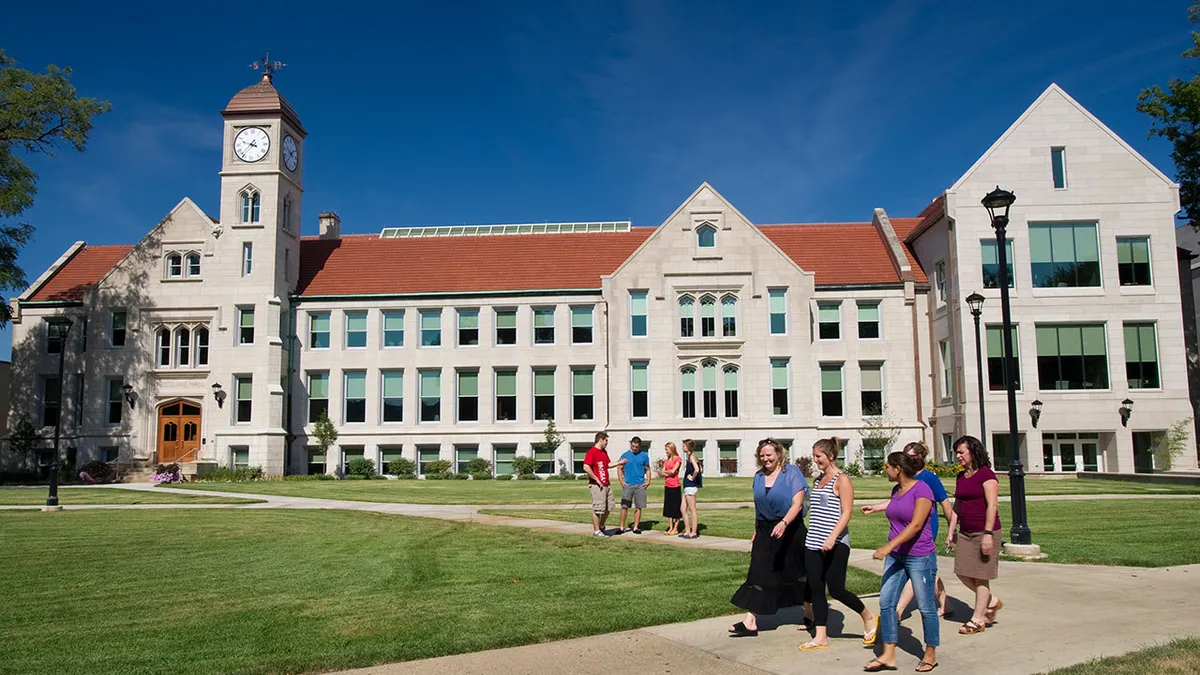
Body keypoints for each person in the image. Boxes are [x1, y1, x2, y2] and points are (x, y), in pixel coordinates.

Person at [863, 452, 939, 673]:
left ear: (898, 468)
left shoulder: (923, 490)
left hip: (919, 556)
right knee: (886, 603)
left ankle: (930, 653)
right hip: (897, 557)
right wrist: (876, 507)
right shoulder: (897, 489)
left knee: (926, 607)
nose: (884, 469)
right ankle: (888, 654)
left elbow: (915, 525)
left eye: (887, 466)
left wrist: (887, 547)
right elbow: (896, 504)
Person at [798, 437, 877, 651]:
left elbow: (847, 512)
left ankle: (868, 617)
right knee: (816, 588)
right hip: (813, 542)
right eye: (814, 456)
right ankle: (821, 635)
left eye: (818, 456)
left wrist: (833, 537)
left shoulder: (842, 480)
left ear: (831, 456)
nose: (815, 460)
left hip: (837, 542)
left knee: (837, 589)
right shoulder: (818, 481)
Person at [729, 439, 809, 637]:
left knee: (796, 571)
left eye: (769, 455)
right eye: (762, 455)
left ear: (779, 454)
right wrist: (756, 528)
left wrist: (783, 523)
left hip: (790, 529)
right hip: (765, 530)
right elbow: (759, 506)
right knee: (758, 570)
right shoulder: (758, 476)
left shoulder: (791, 473)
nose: (765, 459)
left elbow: (797, 504)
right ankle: (751, 621)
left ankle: (810, 613)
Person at [866, 442, 952, 621]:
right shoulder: (900, 484)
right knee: (927, 571)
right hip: (905, 527)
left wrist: (952, 528)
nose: (910, 459)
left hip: (924, 527)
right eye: (907, 456)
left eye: (913, 456)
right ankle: (945, 603)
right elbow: (897, 502)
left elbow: (944, 502)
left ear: (921, 457)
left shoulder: (928, 479)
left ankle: (899, 609)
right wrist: (876, 507)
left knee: (916, 568)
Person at [946, 434, 1003, 635]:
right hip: (966, 533)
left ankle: (977, 620)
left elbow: (992, 506)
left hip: (985, 531)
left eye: (961, 452)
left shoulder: (987, 475)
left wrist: (988, 534)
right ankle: (990, 601)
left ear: (973, 451)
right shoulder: (961, 476)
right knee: (962, 571)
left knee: (981, 576)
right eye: (956, 453)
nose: (958, 456)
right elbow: (958, 505)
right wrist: (951, 530)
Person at [582, 432, 615, 537]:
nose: (607, 443)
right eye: (606, 441)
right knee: (598, 509)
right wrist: (597, 480)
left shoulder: (603, 452)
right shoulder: (592, 452)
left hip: (606, 484)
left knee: (609, 507)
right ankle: (596, 531)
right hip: (597, 485)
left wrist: (619, 463)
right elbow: (586, 467)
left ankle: (601, 526)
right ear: (601, 440)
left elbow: (607, 464)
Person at [618, 436, 652, 534]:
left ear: (639, 446)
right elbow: (619, 469)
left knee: (639, 506)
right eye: (633, 446)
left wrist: (648, 480)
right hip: (628, 485)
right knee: (624, 506)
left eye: (636, 447)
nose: (634, 448)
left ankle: (636, 527)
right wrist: (621, 481)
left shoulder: (644, 456)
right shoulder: (625, 455)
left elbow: (648, 469)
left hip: (640, 485)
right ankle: (621, 527)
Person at [680, 439, 702, 539]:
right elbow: (700, 468)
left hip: (691, 486)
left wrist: (692, 477)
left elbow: (697, 470)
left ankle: (693, 532)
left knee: (692, 509)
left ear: (688, 447)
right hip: (687, 485)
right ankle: (687, 530)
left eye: (684, 446)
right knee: (683, 508)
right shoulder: (691, 457)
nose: (682, 447)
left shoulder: (692, 457)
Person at [662, 442, 684, 536]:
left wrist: (668, 472)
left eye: (667, 449)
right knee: (669, 508)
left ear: (671, 449)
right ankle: (670, 527)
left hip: (675, 486)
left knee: (676, 508)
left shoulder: (678, 459)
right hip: (667, 485)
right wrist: (668, 472)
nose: (666, 451)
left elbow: (673, 471)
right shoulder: (666, 461)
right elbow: (662, 472)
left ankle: (676, 528)